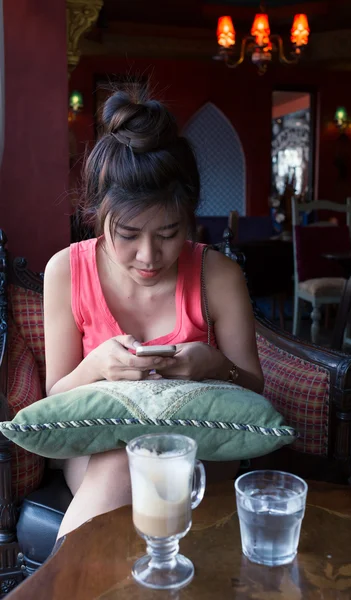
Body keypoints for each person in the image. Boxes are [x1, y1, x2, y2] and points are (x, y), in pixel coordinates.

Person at [44, 88, 264, 540]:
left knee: (158, 460)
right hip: (95, 448)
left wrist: (214, 364)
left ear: (190, 218)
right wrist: (97, 365)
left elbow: (254, 384)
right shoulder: (67, 271)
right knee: (126, 462)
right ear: (97, 214)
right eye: (127, 234)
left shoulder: (216, 275)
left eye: (169, 233)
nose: (149, 256)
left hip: (199, 448)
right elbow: (54, 397)